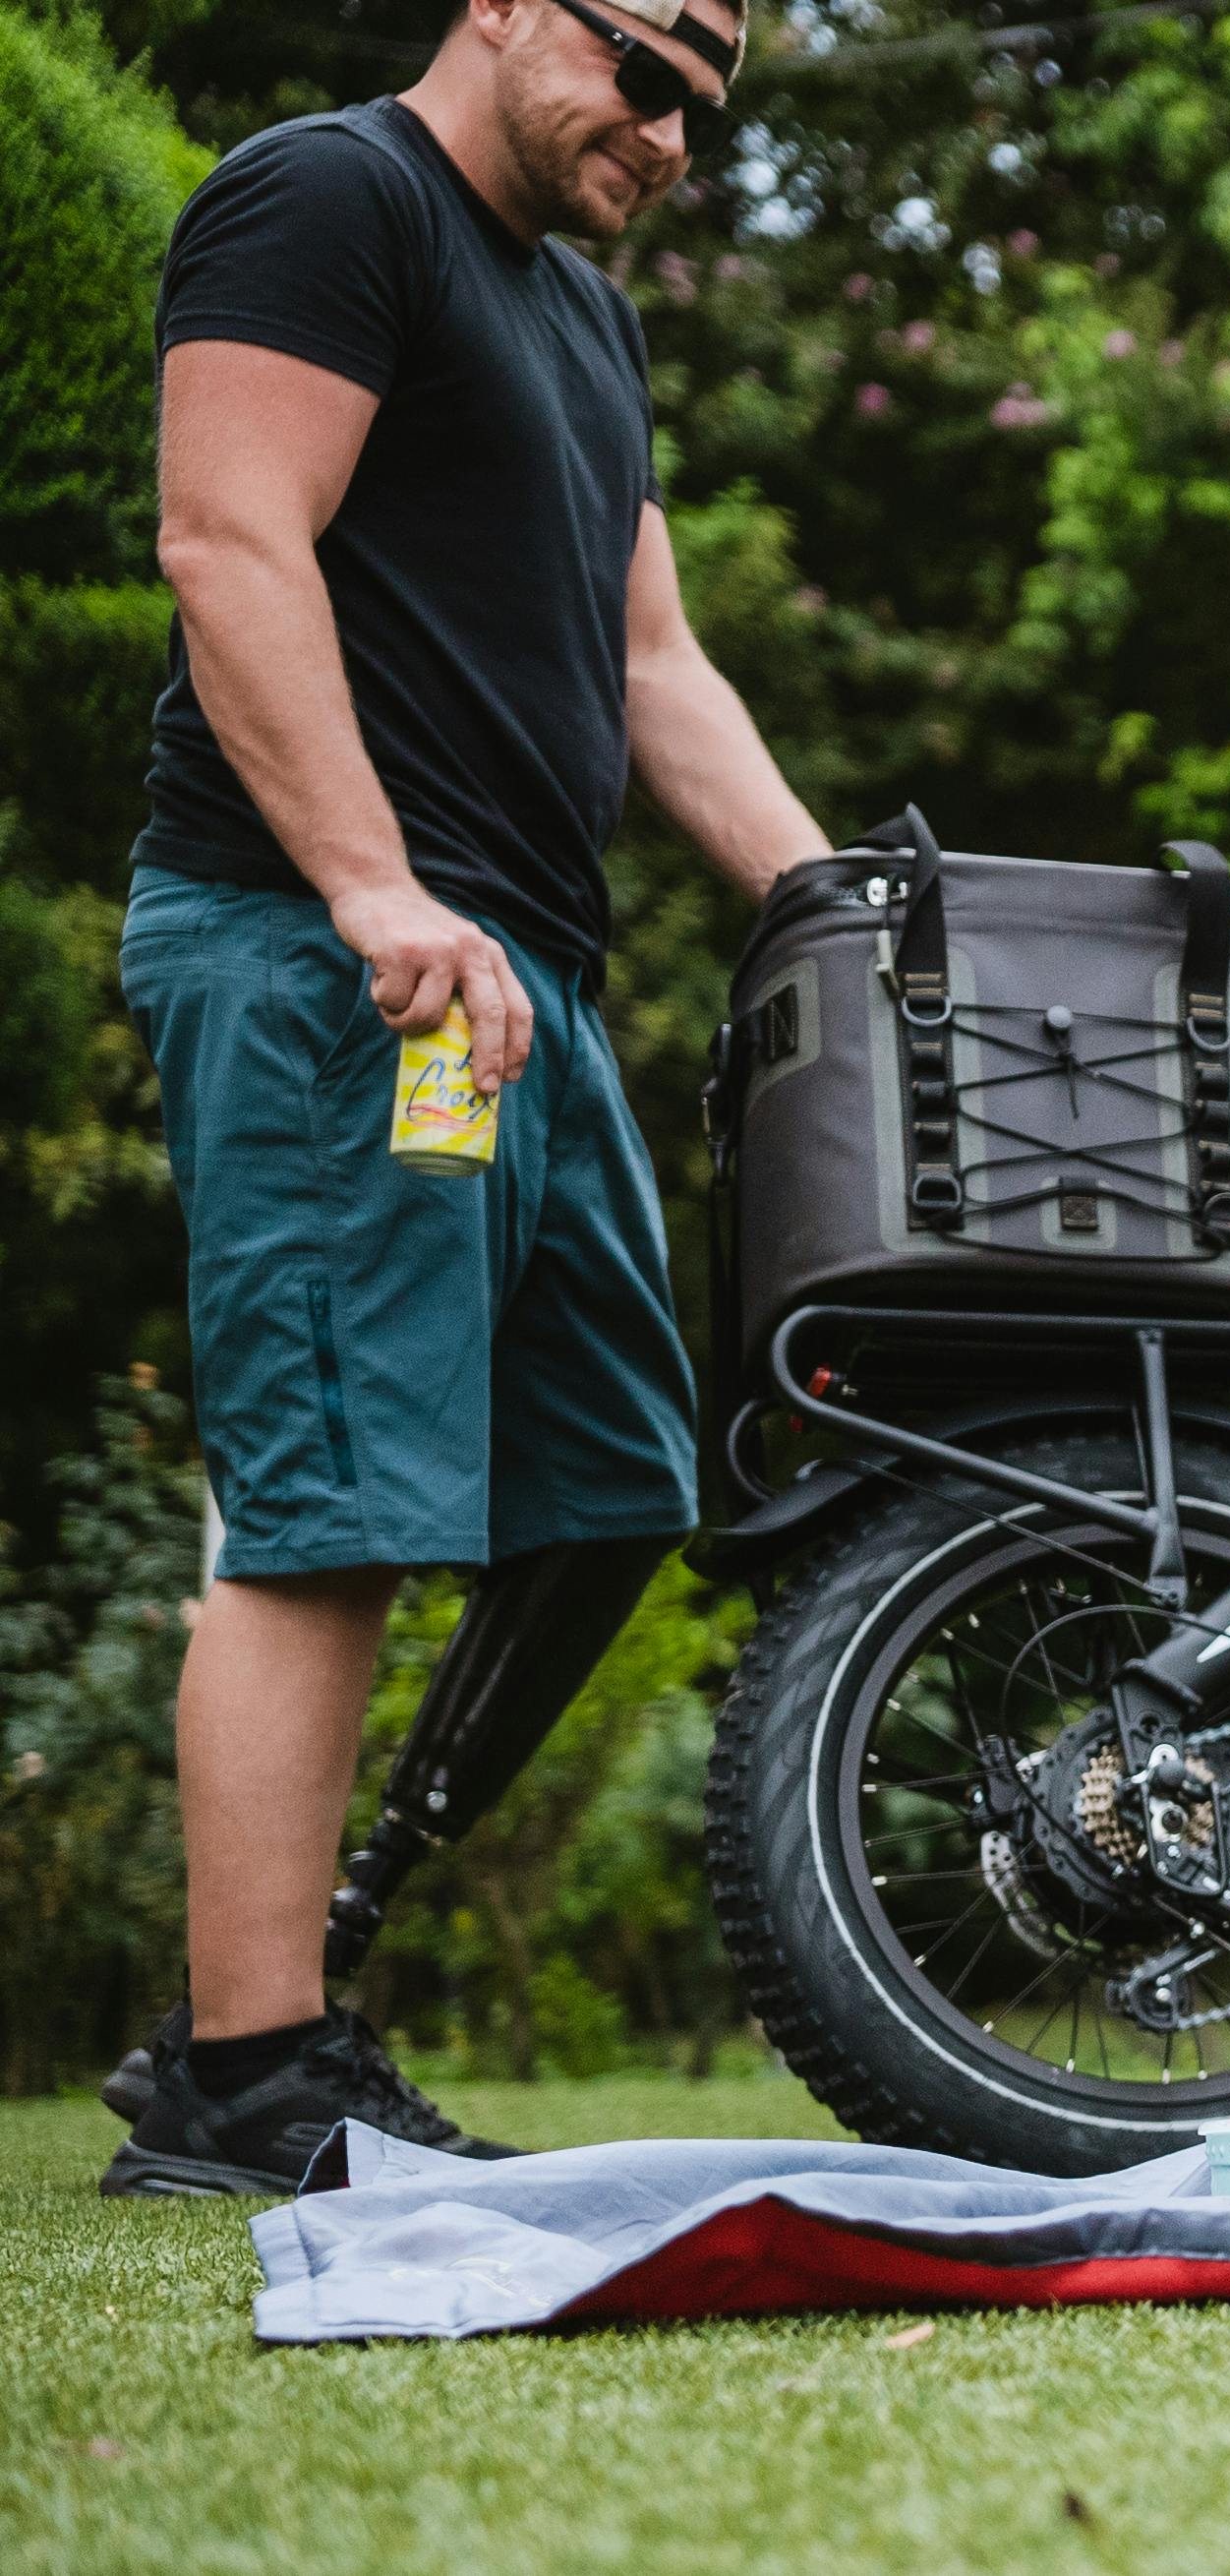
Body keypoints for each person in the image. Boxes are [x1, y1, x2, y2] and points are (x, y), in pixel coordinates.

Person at [102, 0, 826, 2195]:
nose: (673, 124)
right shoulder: (333, 197)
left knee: (610, 1476)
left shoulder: (583, 326)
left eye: (711, 102)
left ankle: (303, 1957)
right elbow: (229, 536)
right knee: (332, 1501)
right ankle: (247, 2080)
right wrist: (365, 882)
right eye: (647, 62)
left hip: (522, 994)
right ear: (507, 4)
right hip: (349, 959)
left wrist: (838, 901)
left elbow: (647, 663)